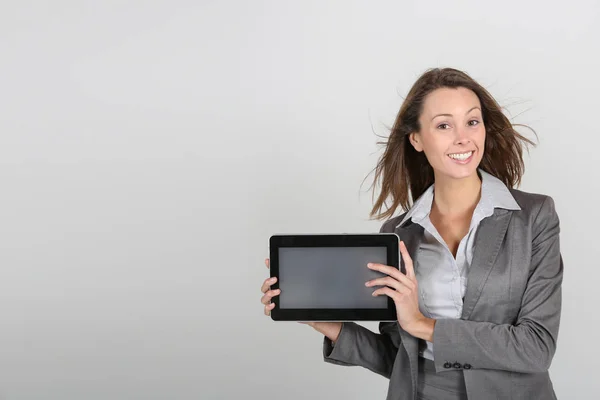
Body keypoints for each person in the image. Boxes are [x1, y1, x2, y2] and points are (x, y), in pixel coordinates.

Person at [259, 67, 562, 400]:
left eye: (472, 122)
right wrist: (326, 324)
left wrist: (421, 324)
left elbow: (537, 347)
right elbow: (398, 358)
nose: (463, 137)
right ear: (416, 139)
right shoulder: (398, 235)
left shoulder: (533, 217)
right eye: (444, 125)